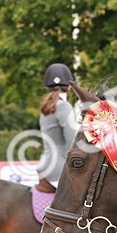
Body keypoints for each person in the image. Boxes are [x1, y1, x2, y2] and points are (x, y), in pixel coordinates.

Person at [36, 63, 79, 193]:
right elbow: (73, 142)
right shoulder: (63, 106)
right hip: (58, 170)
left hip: (47, 165)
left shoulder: (48, 107)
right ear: (70, 87)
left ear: (46, 87)